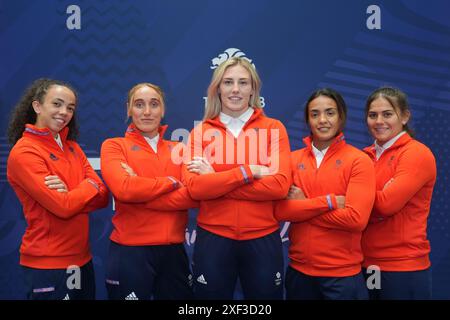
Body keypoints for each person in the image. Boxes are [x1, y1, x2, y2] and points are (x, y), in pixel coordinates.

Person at [184, 57, 291, 299]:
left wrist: (216, 179)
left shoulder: (274, 128)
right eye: (228, 82)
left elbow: (279, 186)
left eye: (243, 83)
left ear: (253, 88)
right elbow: (196, 189)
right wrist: (248, 172)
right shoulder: (200, 133)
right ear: (217, 88)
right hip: (213, 239)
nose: (235, 89)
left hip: (262, 237)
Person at [6, 78, 109, 300]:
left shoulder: (72, 147)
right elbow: (63, 207)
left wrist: (74, 192)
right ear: (37, 106)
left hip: (83, 260)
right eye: (57, 104)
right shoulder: (24, 153)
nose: (64, 112)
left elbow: (102, 197)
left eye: (70, 108)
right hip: (47, 266)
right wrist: (88, 185)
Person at [274, 88, 375, 300]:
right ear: (307, 120)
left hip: (341, 277)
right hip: (298, 274)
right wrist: (327, 203)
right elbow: (280, 210)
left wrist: (303, 206)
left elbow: (356, 220)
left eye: (330, 113)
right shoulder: (291, 160)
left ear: (341, 117)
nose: (322, 120)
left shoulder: (359, 161)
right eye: (315, 114)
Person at [100, 83, 197, 300]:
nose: (146, 112)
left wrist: (139, 188)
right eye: (139, 104)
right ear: (128, 109)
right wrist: (171, 182)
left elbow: (193, 195)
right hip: (129, 253)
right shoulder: (114, 146)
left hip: (173, 253)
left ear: (162, 110)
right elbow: (124, 190)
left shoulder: (180, 149)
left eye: (154, 104)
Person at [361, 87, 436, 300]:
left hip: (403, 267)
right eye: (372, 115)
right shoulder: (364, 156)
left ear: (404, 116)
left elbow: (386, 205)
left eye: (387, 114)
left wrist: (353, 197)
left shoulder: (416, 154)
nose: (379, 121)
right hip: (368, 264)